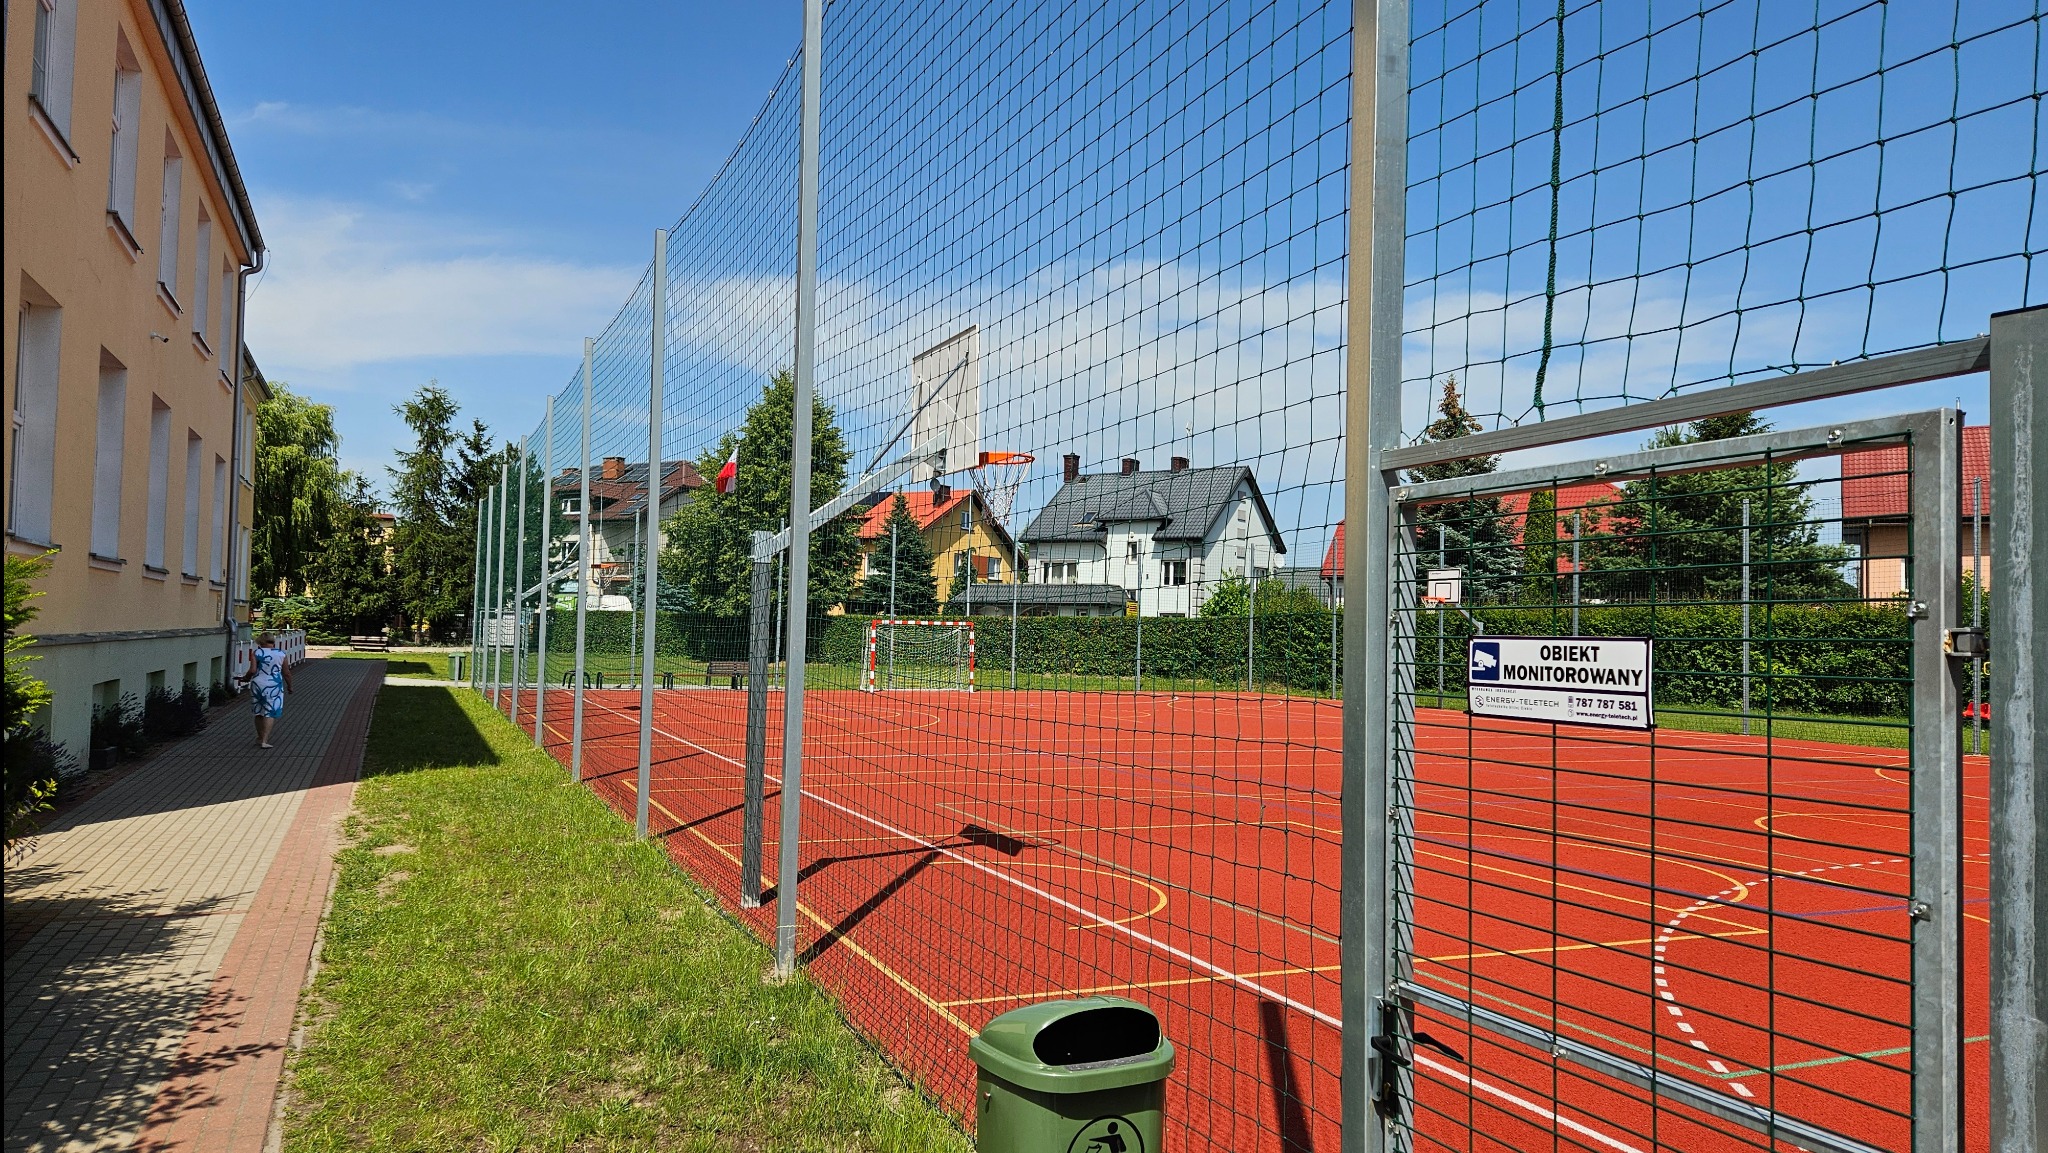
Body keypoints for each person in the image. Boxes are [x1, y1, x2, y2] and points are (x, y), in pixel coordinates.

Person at [241, 632, 294, 748]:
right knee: (269, 711)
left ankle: (259, 737)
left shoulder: (257, 652)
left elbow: (253, 670)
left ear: (260, 642)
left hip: (257, 684)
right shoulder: (281, 654)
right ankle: (265, 740)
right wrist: (290, 686)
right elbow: (286, 673)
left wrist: (245, 678)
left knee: (258, 711)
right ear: (273, 641)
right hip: (274, 685)